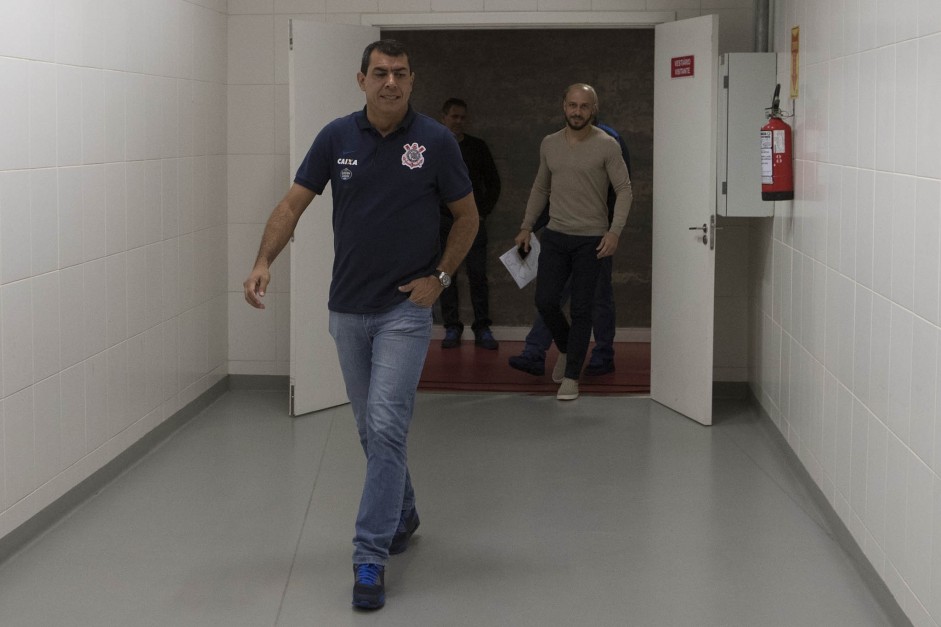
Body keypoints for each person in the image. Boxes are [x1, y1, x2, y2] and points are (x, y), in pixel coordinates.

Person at [242, 40, 478, 611]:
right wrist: (263, 260)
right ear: (361, 79)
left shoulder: (436, 141)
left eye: (399, 74)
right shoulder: (335, 138)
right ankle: (405, 509)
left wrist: (441, 279)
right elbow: (292, 206)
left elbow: (467, 217)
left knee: (388, 424)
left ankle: (369, 556)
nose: (390, 83)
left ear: (411, 80)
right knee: (372, 431)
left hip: (405, 309)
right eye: (380, 73)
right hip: (347, 310)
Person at [513, 84, 632, 401]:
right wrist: (526, 227)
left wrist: (614, 231)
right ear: (563, 106)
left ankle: (570, 378)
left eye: (584, 106)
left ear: (594, 109)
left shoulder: (607, 145)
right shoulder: (549, 143)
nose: (577, 112)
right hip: (555, 235)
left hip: (591, 240)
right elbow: (541, 188)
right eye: (572, 105)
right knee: (545, 301)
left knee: (582, 309)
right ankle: (567, 347)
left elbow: (624, 190)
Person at [437, 98, 502, 350]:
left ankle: (482, 327)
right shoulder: (436, 147)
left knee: (477, 274)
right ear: (444, 117)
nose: (458, 121)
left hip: (473, 223)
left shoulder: (477, 147)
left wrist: (482, 212)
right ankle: (451, 327)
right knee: (445, 274)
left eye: (463, 117)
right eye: (454, 116)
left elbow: (493, 184)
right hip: (444, 222)